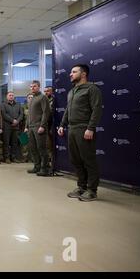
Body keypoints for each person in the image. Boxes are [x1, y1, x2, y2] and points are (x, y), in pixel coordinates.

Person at [58, 64, 102, 202]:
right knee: (75, 160)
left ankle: (92, 190)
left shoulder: (92, 89)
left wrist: (90, 128)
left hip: (84, 128)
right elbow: (67, 110)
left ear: (83, 74)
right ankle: (81, 187)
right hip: (72, 129)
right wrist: (62, 124)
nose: (70, 74)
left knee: (88, 160)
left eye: (74, 72)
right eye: (70, 72)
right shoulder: (72, 91)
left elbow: (96, 109)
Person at [26, 80, 50, 176]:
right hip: (31, 127)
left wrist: (42, 126)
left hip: (39, 127)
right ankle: (37, 167)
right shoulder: (32, 99)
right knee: (33, 148)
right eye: (31, 86)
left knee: (41, 148)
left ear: (39, 87)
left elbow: (46, 112)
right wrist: (27, 126)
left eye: (34, 86)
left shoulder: (43, 97)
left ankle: (45, 169)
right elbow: (29, 115)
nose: (32, 88)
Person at [1, 91, 23, 164]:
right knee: (6, 143)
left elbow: (21, 114)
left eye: (12, 95)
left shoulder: (18, 104)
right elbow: (4, 114)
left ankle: (13, 157)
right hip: (7, 126)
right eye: (10, 95)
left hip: (16, 126)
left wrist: (17, 121)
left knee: (14, 143)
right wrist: (12, 120)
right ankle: (6, 158)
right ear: (7, 96)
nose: (11, 96)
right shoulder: (3, 104)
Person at [21, 93, 33, 162]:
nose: (30, 99)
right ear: (27, 99)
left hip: (33, 127)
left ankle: (32, 158)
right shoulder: (23, 107)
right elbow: (21, 116)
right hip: (24, 127)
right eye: (29, 97)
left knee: (33, 143)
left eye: (32, 97)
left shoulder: (37, 106)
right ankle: (25, 158)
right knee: (24, 143)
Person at [44, 86, 55, 163]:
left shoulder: (55, 100)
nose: (46, 92)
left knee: (52, 142)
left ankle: (53, 157)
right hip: (45, 124)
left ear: (52, 91)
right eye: (45, 91)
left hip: (53, 123)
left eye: (47, 91)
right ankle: (49, 157)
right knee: (47, 143)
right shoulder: (44, 100)